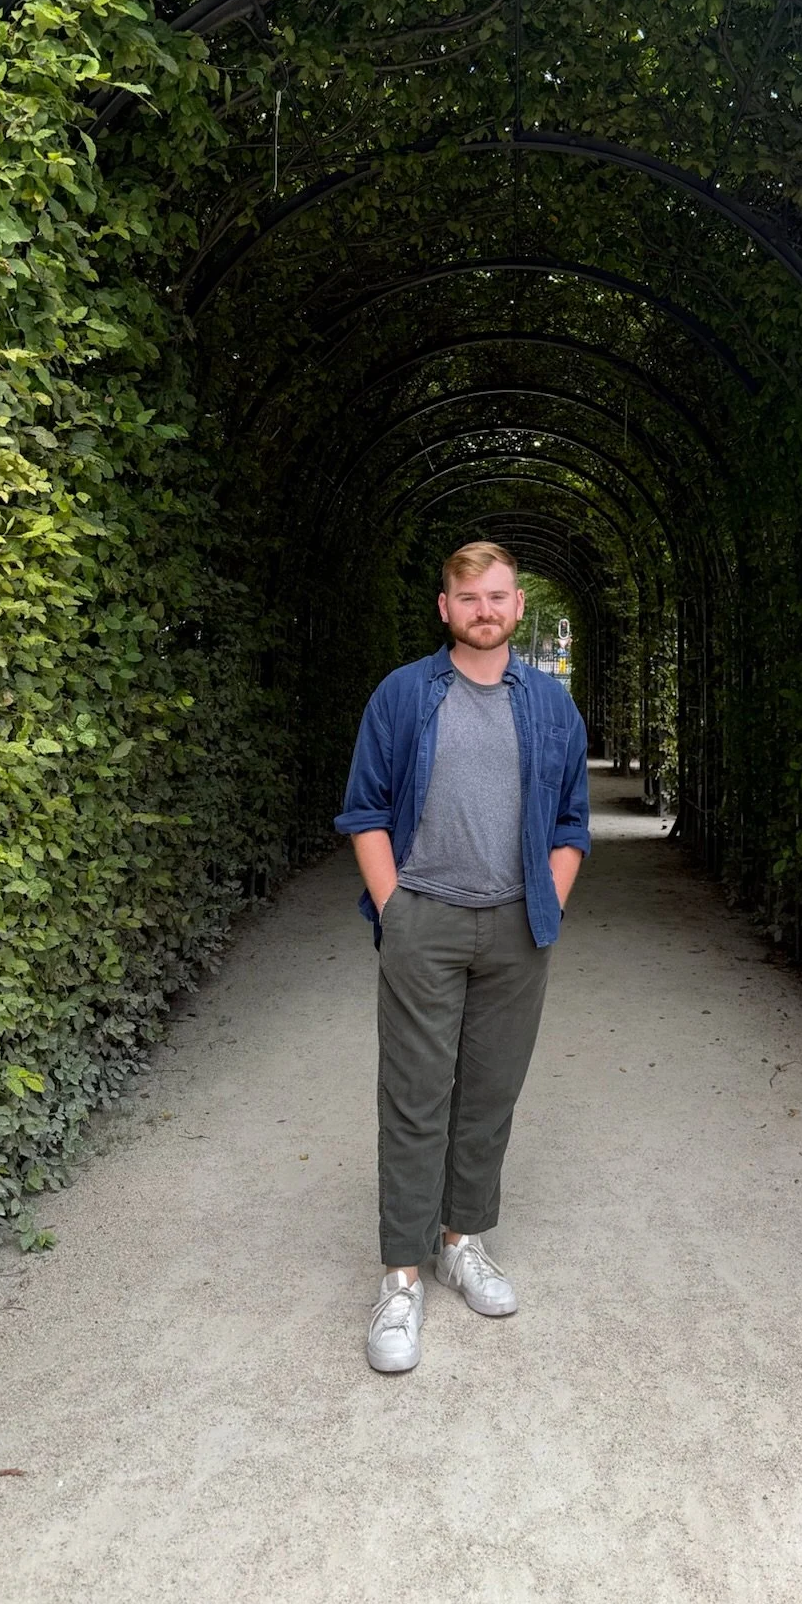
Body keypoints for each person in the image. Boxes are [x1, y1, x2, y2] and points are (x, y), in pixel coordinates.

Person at [335, 542, 590, 1374]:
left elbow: (572, 824)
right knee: (415, 1095)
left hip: (517, 926)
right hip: (426, 921)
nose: (485, 609)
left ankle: (461, 1239)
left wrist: (546, 898)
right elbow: (366, 809)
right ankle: (401, 1276)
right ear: (444, 608)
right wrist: (395, 908)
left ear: (519, 608)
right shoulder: (406, 696)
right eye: (469, 597)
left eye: (499, 596)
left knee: (489, 1095)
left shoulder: (551, 706)